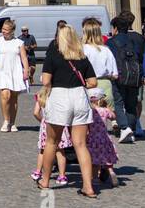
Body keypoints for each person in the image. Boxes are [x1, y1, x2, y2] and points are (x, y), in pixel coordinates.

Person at [35, 25, 99, 198]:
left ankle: (46, 181)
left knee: (52, 142)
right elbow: (93, 82)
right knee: (80, 144)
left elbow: (46, 80)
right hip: (79, 97)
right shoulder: (82, 57)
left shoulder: (53, 56)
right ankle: (88, 186)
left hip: (59, 96)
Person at [0, 19, 30, 131]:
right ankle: (6, 121)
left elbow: (24, 57)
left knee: (14, 98)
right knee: (5, 95)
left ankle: (13, 122)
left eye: (6, 29)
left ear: (12, 31)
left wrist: (26, 70)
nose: (3, 31)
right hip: (1, 71)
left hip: (15, 71)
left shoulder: (19, 43)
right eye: (3, 29)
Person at [107, 12, 145, 143]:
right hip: (135, 75)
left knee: (118, 102)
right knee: (131, 104)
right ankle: (131, 129)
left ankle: (124, 127)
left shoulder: (111, 42)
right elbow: (142, 57)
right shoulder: (136, 40)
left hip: (119, 75)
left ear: (116, 28)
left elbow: (110, 59)